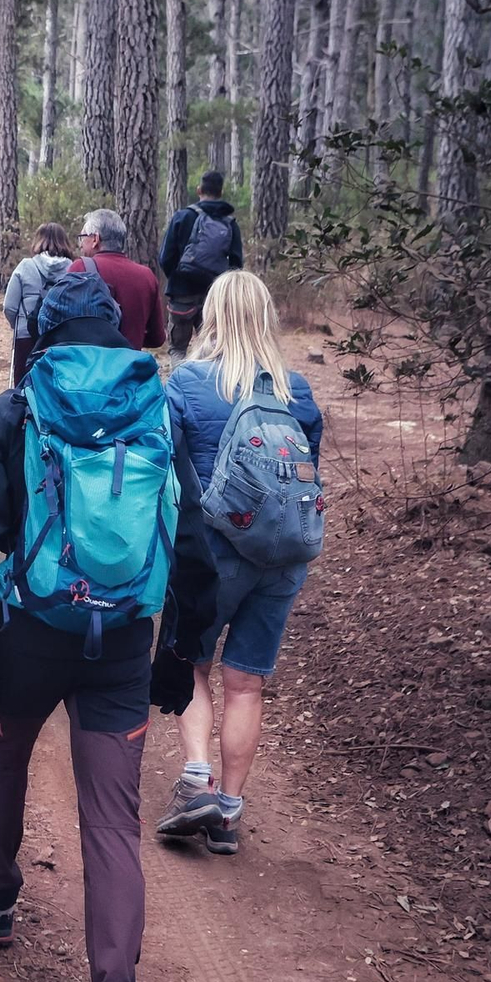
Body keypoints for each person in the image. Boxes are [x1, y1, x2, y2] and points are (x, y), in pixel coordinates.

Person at [0, 270, 219, 982]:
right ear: (119, 329)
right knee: (110, 818)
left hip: (28, 631)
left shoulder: (16, 410)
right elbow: (194, 548)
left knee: (4, 749)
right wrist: (177, 656)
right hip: (126, 642)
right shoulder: (156, 409)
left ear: (42, 330)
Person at [155, 270, 323, 857]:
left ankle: (196, 778)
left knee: (194, 666)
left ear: (211, 315)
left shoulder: (188, 384)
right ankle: (228, 813)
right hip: (281, 558)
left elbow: (167, 470)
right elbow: (306, 475)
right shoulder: (297, 391)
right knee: (247, 685)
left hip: (212, 553)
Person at [159, 170, 244, 355]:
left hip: (181, 294)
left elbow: (165, 257)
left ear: (199, 190)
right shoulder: (230, 223)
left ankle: (180, 383)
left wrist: (177, 279)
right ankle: (209, 383)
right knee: (213, 352)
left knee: (178, 349)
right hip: (214, 297)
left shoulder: (182, 217)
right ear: (220, 193)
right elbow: (237, 264)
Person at [68, 209, 165, 353]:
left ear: (95, 239)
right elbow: (157, 338)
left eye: (82, 237)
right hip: (129, 369)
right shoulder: (147, 276)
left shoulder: (80, 268)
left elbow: (64, 326)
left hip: (89, 368)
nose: (80, 243)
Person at [2, 222, 75, 385]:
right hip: (61, 336)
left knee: (24, 385)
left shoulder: (25, 266)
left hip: (26, 336)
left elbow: (9, 306)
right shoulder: (73, 268)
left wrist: (19, 325)